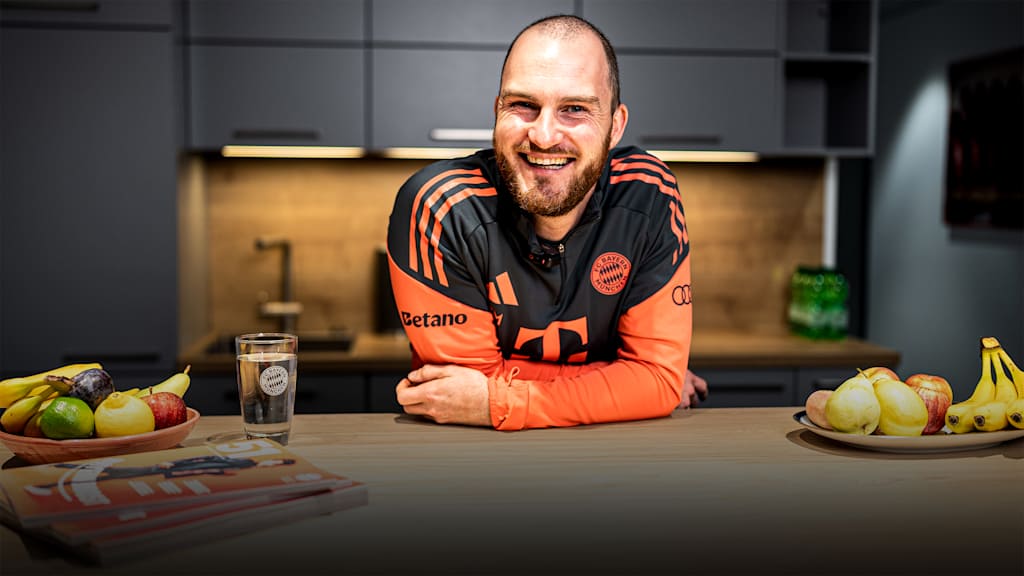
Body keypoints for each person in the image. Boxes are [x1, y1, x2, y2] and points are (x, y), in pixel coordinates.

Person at [386, 14, 707, 430]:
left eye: (574, 109)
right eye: (523, 105)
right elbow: (460, 391)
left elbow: (484, 394)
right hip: (473, 457)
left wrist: (498, 400)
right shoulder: (440, 207)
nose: (543, 135)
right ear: (497, 110)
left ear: (615, 127)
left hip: (615, 457)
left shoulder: (649, 193)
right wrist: (629, 384)